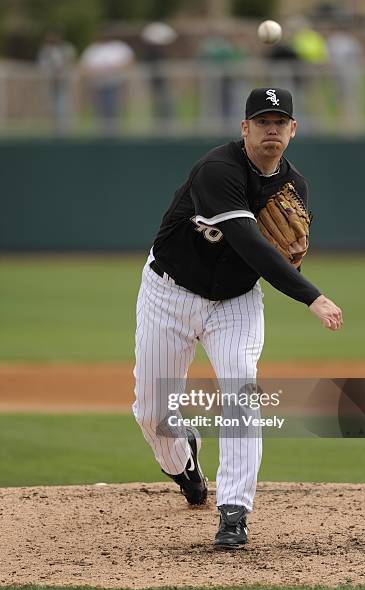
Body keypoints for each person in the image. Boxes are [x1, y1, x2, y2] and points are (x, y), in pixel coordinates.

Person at [131, 87, 343, 549]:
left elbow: (282, 257)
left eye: (280, 121)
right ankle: (183, 461)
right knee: (152, 413)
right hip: (169, 294)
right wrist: (312, 296)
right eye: (262, 121)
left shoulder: (294, 188)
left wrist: (294, 269)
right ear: (244, 128)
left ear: (292, 130)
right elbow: (248, 242)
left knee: (242, 384)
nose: (272, 129)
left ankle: (234, 510)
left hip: (236, 303)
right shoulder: (218, 169)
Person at [80, 34, 134, 134]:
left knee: (114, 109)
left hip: (115, 84)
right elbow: (84, 68)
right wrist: (101, 71)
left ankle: (114, 132)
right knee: (99, 110)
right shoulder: (92, 49)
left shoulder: (119, 47)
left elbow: (129, 61)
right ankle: (102, 132)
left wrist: (111, 70)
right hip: (97, 85)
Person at [37, 31, 76, 134]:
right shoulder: (46, 50)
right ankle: (53, 128)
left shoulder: (66, 48)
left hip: (63, 81)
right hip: (50, 81)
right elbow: (43, 65)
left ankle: (65, 128)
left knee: (63, 104)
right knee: (51, 105)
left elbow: (69, 62)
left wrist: (61, 71)